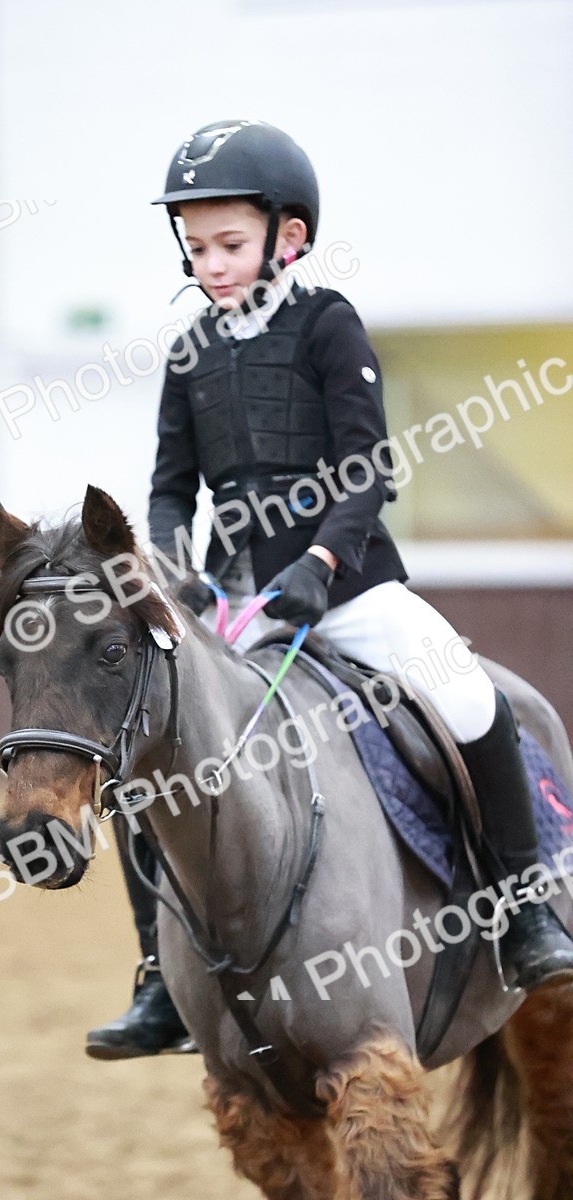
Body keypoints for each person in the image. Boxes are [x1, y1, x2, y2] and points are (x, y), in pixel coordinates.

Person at [85, 119, 573, 1060]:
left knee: (473, 701)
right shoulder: (190, 352)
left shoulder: (328, 324)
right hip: (236, 606)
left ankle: (524, 920)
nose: (212, 263)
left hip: (354, 590)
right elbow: (167, 482)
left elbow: (367, 470)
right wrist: (174, 555)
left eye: (229, 244)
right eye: (197, 248)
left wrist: (319, 568)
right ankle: (159, 976)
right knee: (151, 760)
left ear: (288, 237)